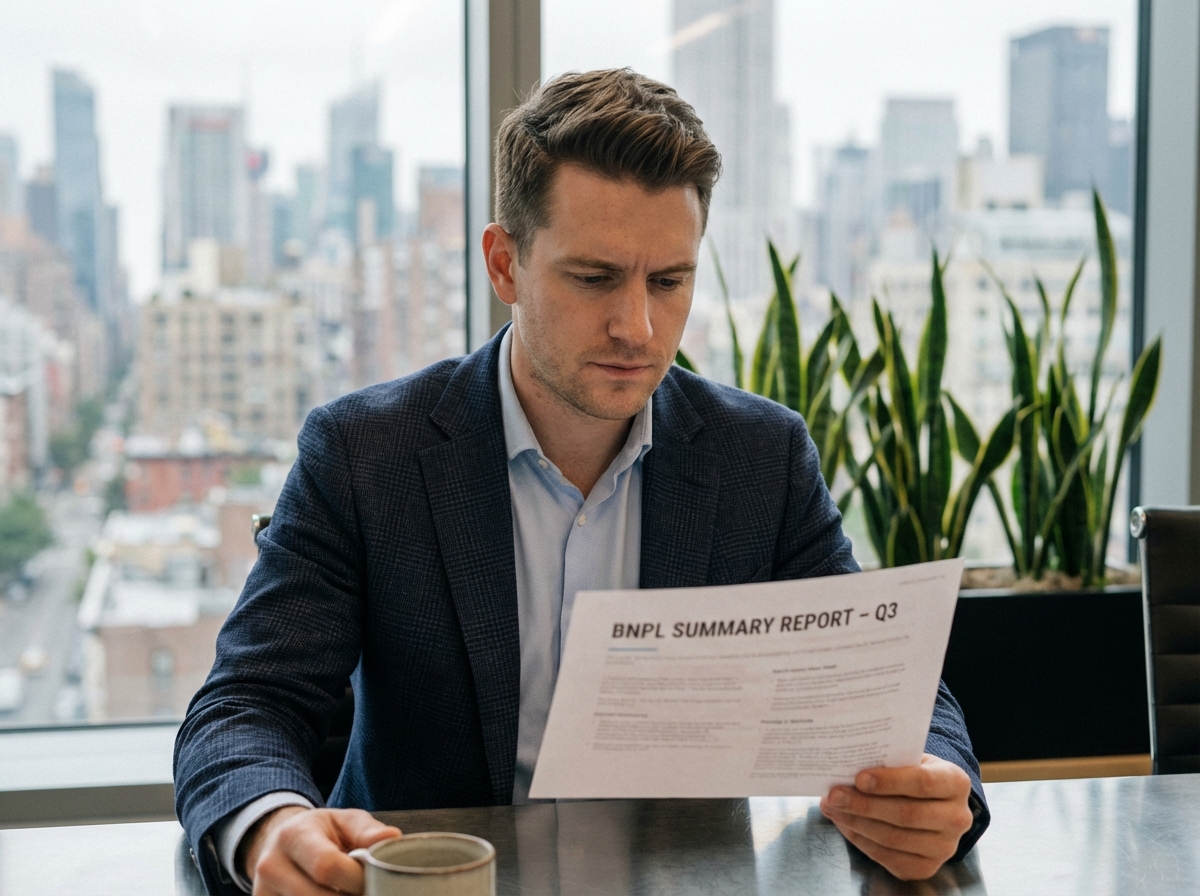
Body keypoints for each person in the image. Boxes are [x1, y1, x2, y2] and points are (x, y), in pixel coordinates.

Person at [174, 68, 989, 896]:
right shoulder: (365, 454)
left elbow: (884, 690)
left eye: (668, 281)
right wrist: (272, 822)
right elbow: (246, 704)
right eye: (595, 278)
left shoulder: (761, 458)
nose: (637, 327)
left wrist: (938, 784)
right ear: (505, 265)